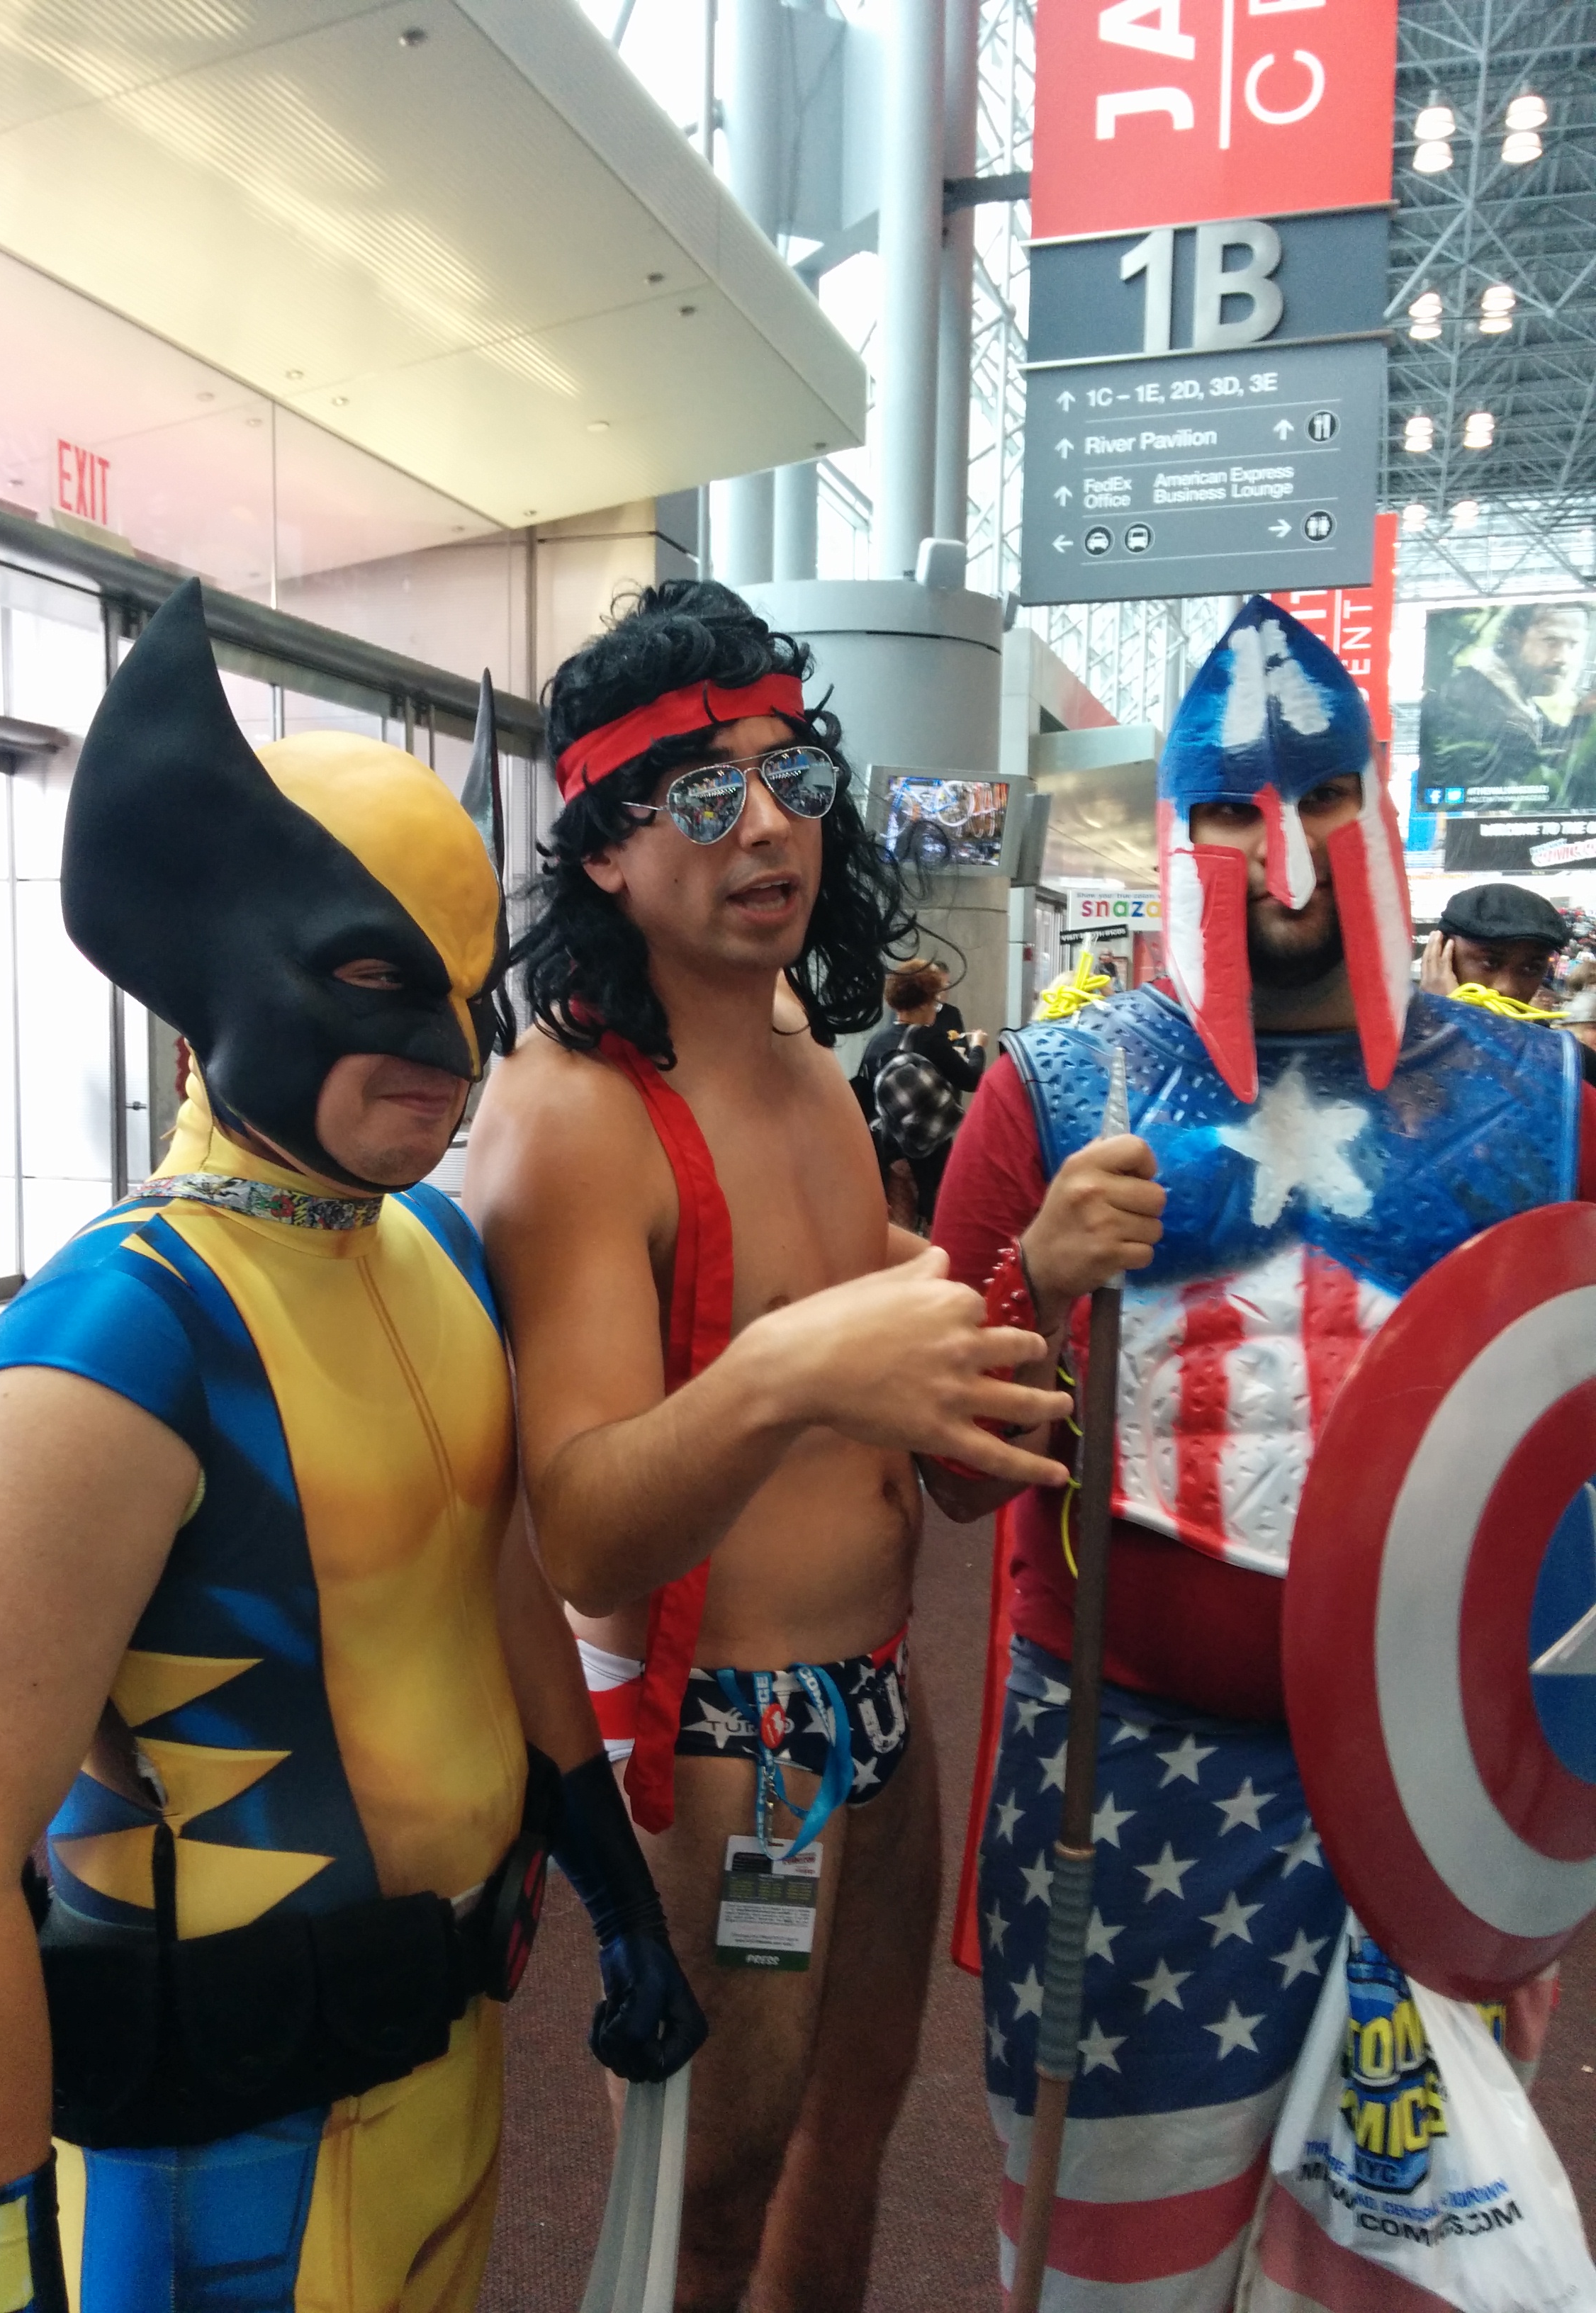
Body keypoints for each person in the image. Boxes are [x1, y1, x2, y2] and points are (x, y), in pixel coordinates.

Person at [0, 580, 703, 2313]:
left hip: (443, 2063)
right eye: (377, 978)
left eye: (465, 989)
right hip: (214, 2143)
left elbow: (494, 1586)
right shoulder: (117, 1344)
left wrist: (614, 1890)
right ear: (217, 957)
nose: (447, 1048)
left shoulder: (434, 1256)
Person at [924, 596, 1592, 2307]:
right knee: (1109, 2261)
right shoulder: (1050, 1094)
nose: (1283, 859)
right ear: (1175, 825)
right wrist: (1032, 1279)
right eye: (1231, 810)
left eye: (1323, 800)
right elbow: (948, 1475)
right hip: (1129, 1785)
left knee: (1406, 2264)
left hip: (1437, 1807)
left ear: (1380, 809)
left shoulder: (1547, 1105)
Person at [464, 578, 1068, 2313]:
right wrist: (794, 1369)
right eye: (701, 792)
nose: (767, 826)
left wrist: (1025, 1281)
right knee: (704, 2201)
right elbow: (584, 1531)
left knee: (849, 2141)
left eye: (791, 775)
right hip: (719, 1732)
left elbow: (852, 1309)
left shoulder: (802, 1043)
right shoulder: (574, 1115)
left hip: (875, 1696)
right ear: (601, 845)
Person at [1420, 600, 1596, 804]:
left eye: (1573, 644)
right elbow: (1542, 774)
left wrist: (1584, 717)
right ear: (1513, 637)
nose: (1563, 658)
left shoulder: (1509, 694)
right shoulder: (1475, 702)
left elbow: (1550, 743)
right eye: (1551, 641)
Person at [858, 961, 987, 1230]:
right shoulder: (929, 1040)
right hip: (929, 1152)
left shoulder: (877, 1042)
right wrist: (978, 1048)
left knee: (900, 1230)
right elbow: (972, 1079)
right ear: (926, 1002)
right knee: (937, 1227)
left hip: (891, 1152)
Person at [1418, 879, 1568, 1007]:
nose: (1507, 989)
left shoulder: (1545, 1034)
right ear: (1439, 951)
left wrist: (1449, 1013)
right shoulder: (1406, 1027)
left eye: (1530, 969)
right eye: (1490, 963)